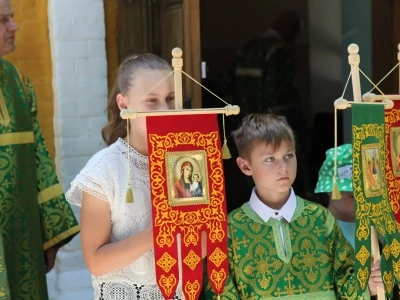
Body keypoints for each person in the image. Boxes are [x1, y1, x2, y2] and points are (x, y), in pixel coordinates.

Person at [205, 114, 381, 299]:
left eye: (289, 155)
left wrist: (366, 286)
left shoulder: (320, 219)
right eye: (270, 159)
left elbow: (346, 278)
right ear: (245, 166)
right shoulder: (230, 230)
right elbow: (220, 292)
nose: (283, 166)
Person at [66, 53, 188, 299]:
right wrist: (160, 230)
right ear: (124, 104)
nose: (164, 109)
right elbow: (97, 262)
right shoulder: (103, 170)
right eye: (152, 100)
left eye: (171, 98)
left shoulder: (187, 162)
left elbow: (201, 248)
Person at [0, 0, 80, 298]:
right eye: (3, 20)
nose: (14, 26)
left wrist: (50, 236)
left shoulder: (18, 83)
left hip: (22, 237)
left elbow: (40, 163)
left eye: (13, 17)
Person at [223, 9, 310, 199]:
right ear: (288, 29)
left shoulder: (247, 48)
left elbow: (229, 87)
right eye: (296, 32)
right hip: (272, 129)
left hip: (244, 127)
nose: (296, 38)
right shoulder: (279, 51)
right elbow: (280, 95)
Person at [314, 144, 399, 299]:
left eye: (366, 196)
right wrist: (365, 288)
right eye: (352, 196)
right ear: (330, 190)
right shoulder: (318, 228)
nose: (361, 202)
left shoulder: (379, 225)